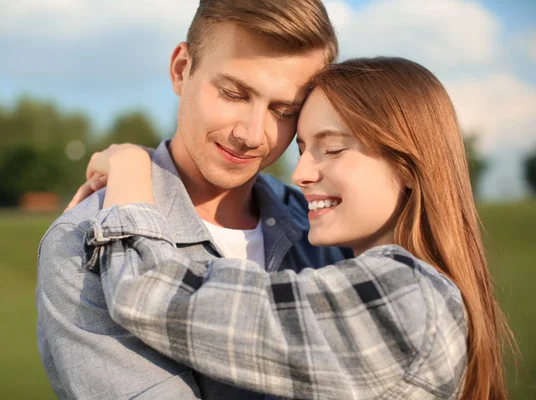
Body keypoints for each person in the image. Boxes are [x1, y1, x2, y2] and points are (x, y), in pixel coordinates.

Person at [78, 58, 515, 400]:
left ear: (406, 165)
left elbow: (148, 293)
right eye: (304, 148)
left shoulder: (405, 298)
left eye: (333, 148)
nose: (302, 173)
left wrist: (132, 167)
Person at [36, 1, 349, 399]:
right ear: (181, 69)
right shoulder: (82, 245)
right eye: (234, 93)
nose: (252, 134)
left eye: (284, 110)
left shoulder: (323, 228)